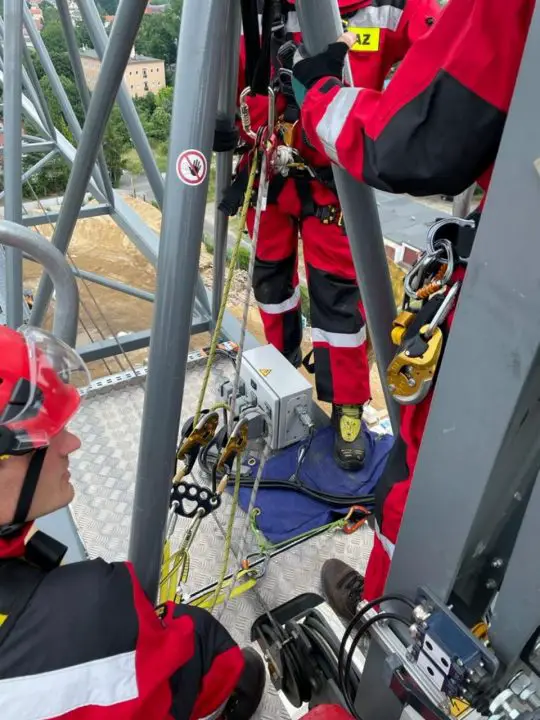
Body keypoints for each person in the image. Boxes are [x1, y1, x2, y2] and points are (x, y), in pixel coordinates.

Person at [289, 0, 536, 617]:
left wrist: (320, 97)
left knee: (431, 472)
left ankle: (387, 620)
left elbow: (420, 135)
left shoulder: (391, 10)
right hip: (304, 175)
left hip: (510, 279)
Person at [217, 0, 440, 472]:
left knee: (338, 303)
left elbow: (444, 57)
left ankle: (348, 406)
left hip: (333, 185)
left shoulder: (385, 9)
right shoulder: (257, 9)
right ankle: (280, 371)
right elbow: (226, 70)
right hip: (268, 173)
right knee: (270, 287)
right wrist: (226, 124)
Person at [0, 325, 265, 719]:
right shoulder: (91, 614)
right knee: (199, 642)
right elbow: (184, 658)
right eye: (49, 434)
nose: (72, 444)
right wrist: (142, 627)